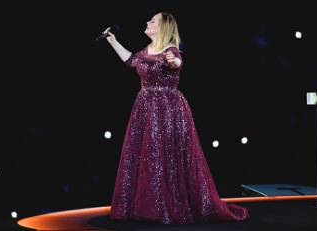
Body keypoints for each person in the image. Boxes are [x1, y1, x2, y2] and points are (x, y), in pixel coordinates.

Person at [103, 12, 248, 225]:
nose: (147, 22)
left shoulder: (170, 50)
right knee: (147, 156)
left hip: (167, 109)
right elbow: (132, 60)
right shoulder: (147, 50)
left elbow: (177, 63)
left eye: (152, 21)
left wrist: (174, 62)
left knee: (164, 156)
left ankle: (166, 207)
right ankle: (149, 207)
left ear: (163, 28)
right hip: (145, 108)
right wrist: (113, 42)